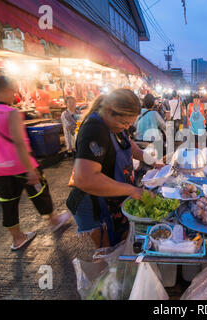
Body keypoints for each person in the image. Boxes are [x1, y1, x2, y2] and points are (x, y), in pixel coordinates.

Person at [0, 76, 71, 251]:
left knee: (8, 202)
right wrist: (30, 169)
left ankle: (17, 238)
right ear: (8, 90)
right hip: (20, 165)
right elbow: (19, 142)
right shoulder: (10, 113)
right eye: (13, 92)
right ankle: (54, 221)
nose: (14, 96)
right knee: (40, 192)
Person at [66, 89, 159, 250]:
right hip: (93, 204)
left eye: (129, 124)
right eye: (124, 123)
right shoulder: (94, 129)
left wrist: (154, 162)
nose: (126, 127)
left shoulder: (116, 126)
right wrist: (132, 190)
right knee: (106, 252)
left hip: (113, 199)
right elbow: (85, 178)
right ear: (109, 111)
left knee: (119, 245)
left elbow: (129, 145)